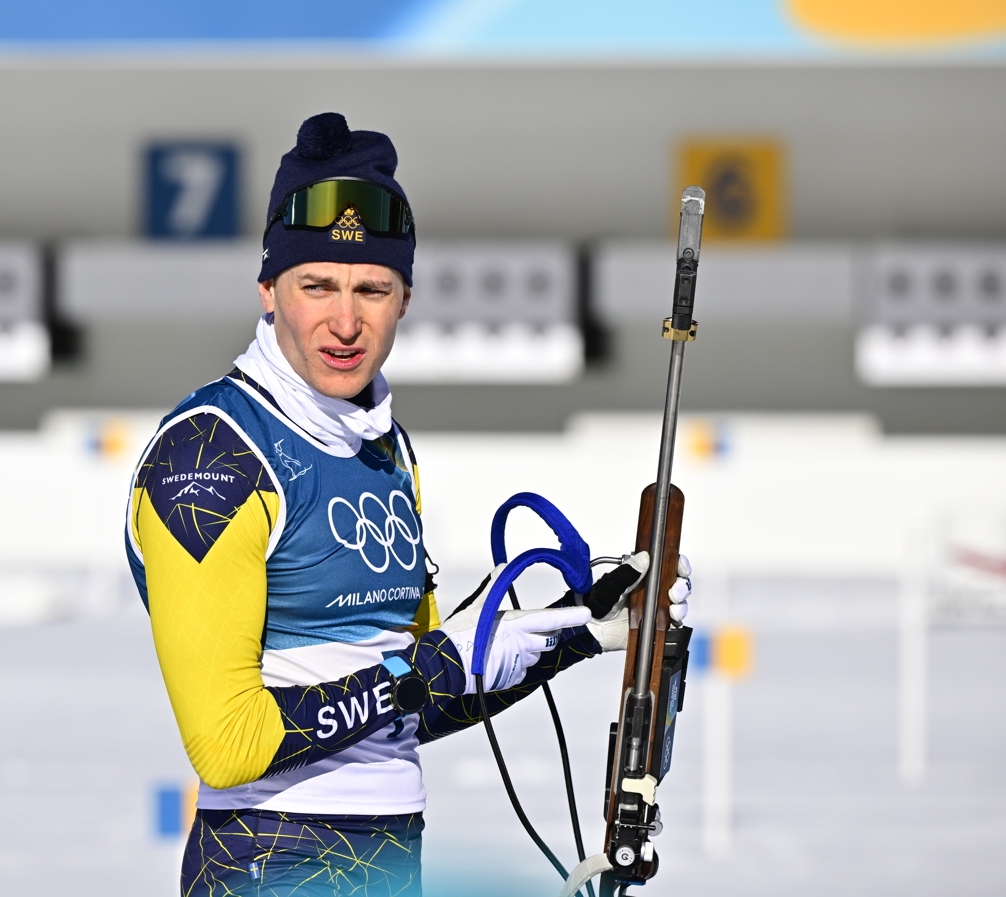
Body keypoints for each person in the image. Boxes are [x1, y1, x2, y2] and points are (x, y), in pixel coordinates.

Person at [125, 113, 692, 897]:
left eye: (373, 290)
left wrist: (577, 630)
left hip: (391, 854)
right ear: (267, 289)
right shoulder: (212, 456)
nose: (346, 322)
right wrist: (418, 671)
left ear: (406, 298)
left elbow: (413, 706)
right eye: (316, 285)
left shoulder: (385, 448)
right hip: (269, 857)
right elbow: (225, 741)